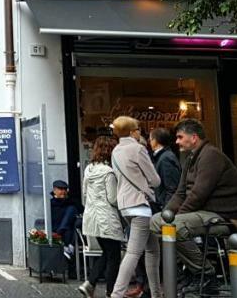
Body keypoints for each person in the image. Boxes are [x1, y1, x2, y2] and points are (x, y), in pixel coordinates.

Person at [151, 119, 237, 290]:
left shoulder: (211, 156)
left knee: (173, 226)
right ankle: (190, 270)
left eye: (180, 137)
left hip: (225, 216)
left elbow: (199, 194)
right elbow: (180, 193)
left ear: (194, 137)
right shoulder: (191, 159)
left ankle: (205, 273)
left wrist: (175, 217)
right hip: (204, 212)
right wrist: (166, 213)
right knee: (155, 221)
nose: (177, 141)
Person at [105, 116, 162, 298]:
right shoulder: (137, 149)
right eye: (138, 129)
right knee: (133, 252)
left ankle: (156, 293)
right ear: (131, 131)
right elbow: (155, 180)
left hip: (125, 206)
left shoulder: (116, 151)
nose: (140, 132)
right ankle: (117, 294)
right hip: (140, 206)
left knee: (152, 249)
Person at [77, 136, 123, 298]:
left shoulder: (88, 169)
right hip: (107, 218)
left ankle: (90, 283)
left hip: (91, 218)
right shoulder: (109, 172)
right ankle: (111, 293)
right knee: (114, 256)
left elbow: (84, 194)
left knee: (107, 252)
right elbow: (113, 198)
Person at [149, 128, 180, 212]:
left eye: (151, 139)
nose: (150, 142)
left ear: (156, 140)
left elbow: (171, 187)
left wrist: (167, 210)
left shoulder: (166, 158)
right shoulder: (161, 156)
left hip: (165, 207)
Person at [50, 180, 81, 257]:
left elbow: (81, 209)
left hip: (66, 232)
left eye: (65, 189)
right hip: (54, 230)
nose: (63, 191)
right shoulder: (50, 203)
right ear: (54, 191)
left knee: (72, 209)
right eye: (61, 189)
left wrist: (69, 199)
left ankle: (68, 247)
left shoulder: (71, 202)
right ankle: (67, 247)